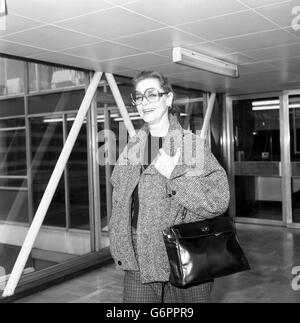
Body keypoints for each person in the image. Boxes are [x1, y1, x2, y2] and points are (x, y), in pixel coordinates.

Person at [109, 70, 230, 303]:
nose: (145, 102)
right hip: (139, 255)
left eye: (152, 94)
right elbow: (121, 200)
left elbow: (218, 200)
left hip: (183, 254)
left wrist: (174, 178)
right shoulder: (131, 149)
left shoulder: (190, 145)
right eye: (139, 97)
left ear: (169, 99)